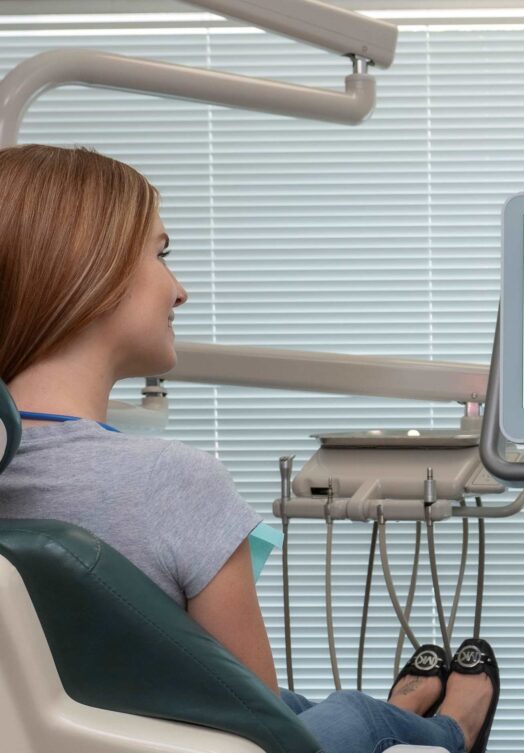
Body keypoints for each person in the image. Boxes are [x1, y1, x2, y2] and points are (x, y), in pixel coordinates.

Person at [0, 144, 498, 753]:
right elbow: (262, 734)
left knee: (299, 701)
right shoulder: (171, 482)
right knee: (350, 715)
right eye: (160, 255)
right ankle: (451, 729)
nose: (179, 291)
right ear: (90, 272)